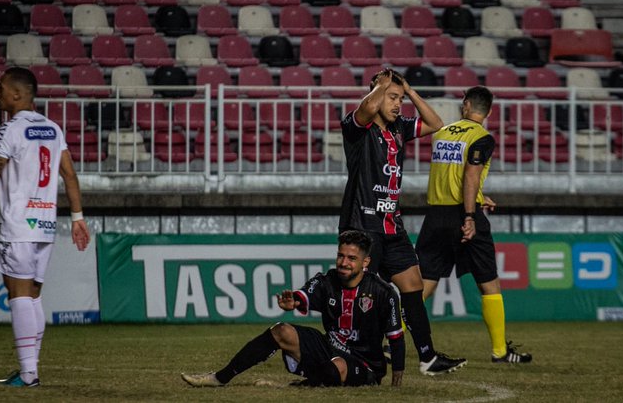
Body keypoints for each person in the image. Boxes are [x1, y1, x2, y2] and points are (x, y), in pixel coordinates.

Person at [339, 68, 466, 376]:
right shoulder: (357, 127)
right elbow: (367, 109)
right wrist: (382, 86)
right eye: (392, 98)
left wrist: (409, 91)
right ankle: (349, 355)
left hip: (392, 226)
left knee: (413, 287)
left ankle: (428, 358)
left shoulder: (400, 128)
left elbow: (436, 124)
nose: (397, 104)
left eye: (400, 99)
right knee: (359, 295)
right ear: (377, 94)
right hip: (363, 227)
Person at [181, 230, 406, 388]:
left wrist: (396, 380)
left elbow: (396, 338)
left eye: (351, 258)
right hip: (330, 348)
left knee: (337, 367)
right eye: (340, 255)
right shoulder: (328, 280)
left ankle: (295, 386)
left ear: (365, 262)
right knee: (281, 330)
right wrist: (294, 301)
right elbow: (304, 294)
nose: (343, 262)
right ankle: (220, 378)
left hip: (363, 365)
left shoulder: (383, 293)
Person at [0, 67, 91, 387]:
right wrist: (78, 218)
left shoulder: (9, 130)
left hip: (17, 224)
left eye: (1, 88)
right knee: (33, 297)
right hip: (44, 223)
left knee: (18, 295)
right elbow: (69, 174)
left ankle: (29, 373)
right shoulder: (52, 128)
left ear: (17, 94)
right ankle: (29, 369)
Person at [415, 86, 532, 364]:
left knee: (422, 285)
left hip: (435, 216)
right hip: (464, 215)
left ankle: (389, 339)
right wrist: (470, 215)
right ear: (489, 111)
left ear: (465, 105)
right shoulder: (482, 138)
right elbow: (469, 177)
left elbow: (452, 176)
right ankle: (500, 352)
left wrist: (480, 196)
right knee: (489, 285)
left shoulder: (441, 133)